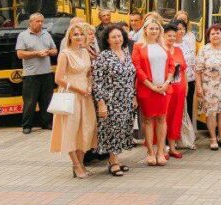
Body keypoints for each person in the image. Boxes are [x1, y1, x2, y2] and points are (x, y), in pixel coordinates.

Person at [49, 23, 96, 178]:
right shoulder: (65, 54)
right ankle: (76, 165)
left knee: (86, 129)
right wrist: (78, 89)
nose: (79, 37)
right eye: (75, 34)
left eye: (81, 34)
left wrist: (88, 86)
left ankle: (81, 163)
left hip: (86, 95)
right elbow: (58, 78)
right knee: (71, 130)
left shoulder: (86, 52)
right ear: (69, 36)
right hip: (71, 95)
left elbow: (89, 73)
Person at [92, 24, 136, 176]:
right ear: (107, 40)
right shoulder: (103, 56)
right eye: (113, 37)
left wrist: (134, 96)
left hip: (126, 98)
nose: (117, 39)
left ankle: (115, 158)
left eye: (119, 36)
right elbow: (97, 81)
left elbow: (131, 77)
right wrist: (101, 103)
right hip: (111, 99)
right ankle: (113, 161)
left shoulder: (126, 52)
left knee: (123, 129)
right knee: (113, 130)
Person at [133, 16, 171, 166]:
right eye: (151, 28)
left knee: (162, 119)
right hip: (147, 89)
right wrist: (151, 85)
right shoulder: (138, 46)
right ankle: (150, 151)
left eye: (157, 28)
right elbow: (137, 68)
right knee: (148, 120)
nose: (154, 31)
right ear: (145, 30)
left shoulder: (164, 45)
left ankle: (161, 151)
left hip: (164, 89)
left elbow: (171, 66)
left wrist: (167, 82)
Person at [16, 12, 57, 134]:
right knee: (30, 102)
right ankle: (27, 125)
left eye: (41, 21)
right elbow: (20, 54)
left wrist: (49, 52)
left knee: (47, 100)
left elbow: (55, 50)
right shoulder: (23, 36)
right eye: (37, 21)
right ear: (30, 22)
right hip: (31, 74)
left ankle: (47, 123)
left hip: (46, 73)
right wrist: (36, 53)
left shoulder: (46, 34)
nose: (40, 24)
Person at [195, 23, 221, 151]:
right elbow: (198, 70)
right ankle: (212, 138)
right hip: (209, 87)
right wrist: (199, 87)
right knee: (211, 112)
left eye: (218, 33)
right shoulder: (204, 49)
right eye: (212, 34)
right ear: (208, 36)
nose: (215, 35)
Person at [162, 21, 188, 159]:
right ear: (163, 36)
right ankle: (162, 148)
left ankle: (172, 146)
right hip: (166, 88)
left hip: (179, 88)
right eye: (169, 36)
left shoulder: (178, 50)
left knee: (176, 117)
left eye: (174, 35)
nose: (172, 38)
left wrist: (187, 87)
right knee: (163, 118)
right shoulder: (161, 50)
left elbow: (184, 69)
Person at [175, 11, 198, 117]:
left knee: (188, 103)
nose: (181, 30)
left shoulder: (191, 36)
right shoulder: (172, 40)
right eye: (180, 19)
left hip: (190, 76)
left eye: (185, 20)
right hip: (178, 77)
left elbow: (192, 54)